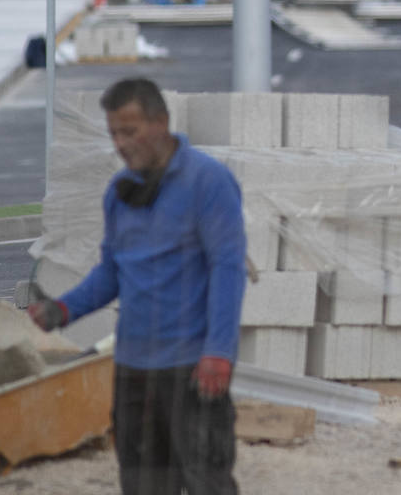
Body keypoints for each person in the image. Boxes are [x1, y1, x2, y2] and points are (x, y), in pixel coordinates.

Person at [29, 78, 247, 495]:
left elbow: (228, 269)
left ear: (161, 123)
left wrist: (219, 351)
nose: (120, 143)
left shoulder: (208, 182)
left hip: (192, 366)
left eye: (129, 131)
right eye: (113, 132)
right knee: (142, 484)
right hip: (134, 367)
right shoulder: (120, 194)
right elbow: (111, 272)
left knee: (207, 482)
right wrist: (62, 309)